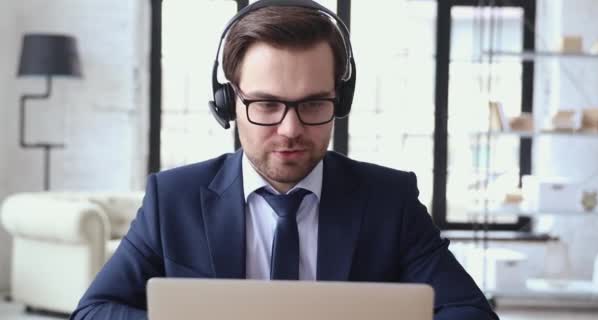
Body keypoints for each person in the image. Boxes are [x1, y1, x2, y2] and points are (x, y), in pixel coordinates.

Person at [71, 1, 498, 319]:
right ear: (228, 103)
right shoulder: (173, 199)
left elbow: (470, 313)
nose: (290, 129)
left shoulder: (391, 200)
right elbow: (93, 312)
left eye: (313, 104)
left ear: (340, 100)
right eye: (266, 104)